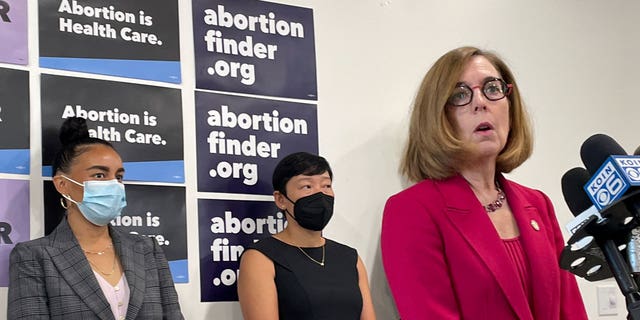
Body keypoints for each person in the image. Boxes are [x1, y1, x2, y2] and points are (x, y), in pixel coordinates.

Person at [381, 46, 588, 319]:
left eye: (492, 88)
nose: (481, 102)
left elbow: (570, 310)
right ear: (438, 116)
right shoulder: (411, 210)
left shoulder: (537, 204)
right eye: (460, 94)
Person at [8, 117, 183, 319]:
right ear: (62, 185)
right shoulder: (33, 257)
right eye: (99, 175)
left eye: (118, 176)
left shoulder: (148, 250)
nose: (113, 185)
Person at [237, 152, 376, 320]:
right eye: (307, 186)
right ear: (280, 199)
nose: (320, 194)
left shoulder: (350, 257)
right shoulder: (260, 258)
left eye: (326, 185)